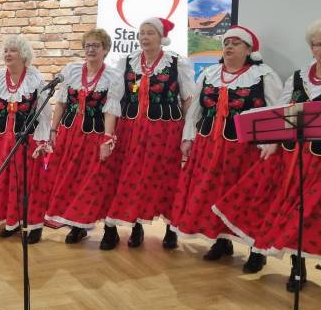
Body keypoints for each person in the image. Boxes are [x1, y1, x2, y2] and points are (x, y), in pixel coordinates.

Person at [212, 19, 321, 303]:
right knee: (291, 214)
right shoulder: (298, 78)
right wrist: (272, 144)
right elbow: (282, 114)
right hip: (292, 159)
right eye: (319, 44)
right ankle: (298, 269)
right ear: (311, 48)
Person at [167, 26, 283, 269]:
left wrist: (270, 144)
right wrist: (188, 138)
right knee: (213, 194)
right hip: (209, 146)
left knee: (248, 199)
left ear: (249, 50)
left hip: (246, 151)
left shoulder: (264, 75)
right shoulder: (210, 73)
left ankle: (256, 250)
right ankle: (221, 241)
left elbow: (276, 113)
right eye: (226, 43)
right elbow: (196, 110)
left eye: (236, 43)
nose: (229, 47)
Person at [103, 18, 196, 250]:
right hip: (131, 130)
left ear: (161, 37)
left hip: (166, 131)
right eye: (142, 33)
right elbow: (114, 99)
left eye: (150, 33)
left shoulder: (177, 63)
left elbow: (188, 100)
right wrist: (108, 134)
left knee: (167, 178)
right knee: (133, 177)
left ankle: (171, 228)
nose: (144, 37)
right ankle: (136, 225)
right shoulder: (127, 62)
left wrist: (189, 133)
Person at [43, 28, 123, 244]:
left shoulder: (113, 76)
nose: (91, 49)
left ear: (105, 49)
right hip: (70, 135)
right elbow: (61, 102)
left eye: (96, 46)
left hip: (95, 136)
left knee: (97, 182)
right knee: (70, 180)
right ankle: (76, 226)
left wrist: (107, 139)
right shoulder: (72, 70)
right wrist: (53, 130)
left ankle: (110, 230)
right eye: (88, 45)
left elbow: (111, 110)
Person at [0, 35, 51, 244]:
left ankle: (34, 225)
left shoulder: (35, 79)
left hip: (25, 140)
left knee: (28, 183)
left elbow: (44, 114)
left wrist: (42, 141)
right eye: (6, 51)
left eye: (13, 50)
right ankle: (11, 222)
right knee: (4, 180)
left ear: (23, 54)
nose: (8, 54)